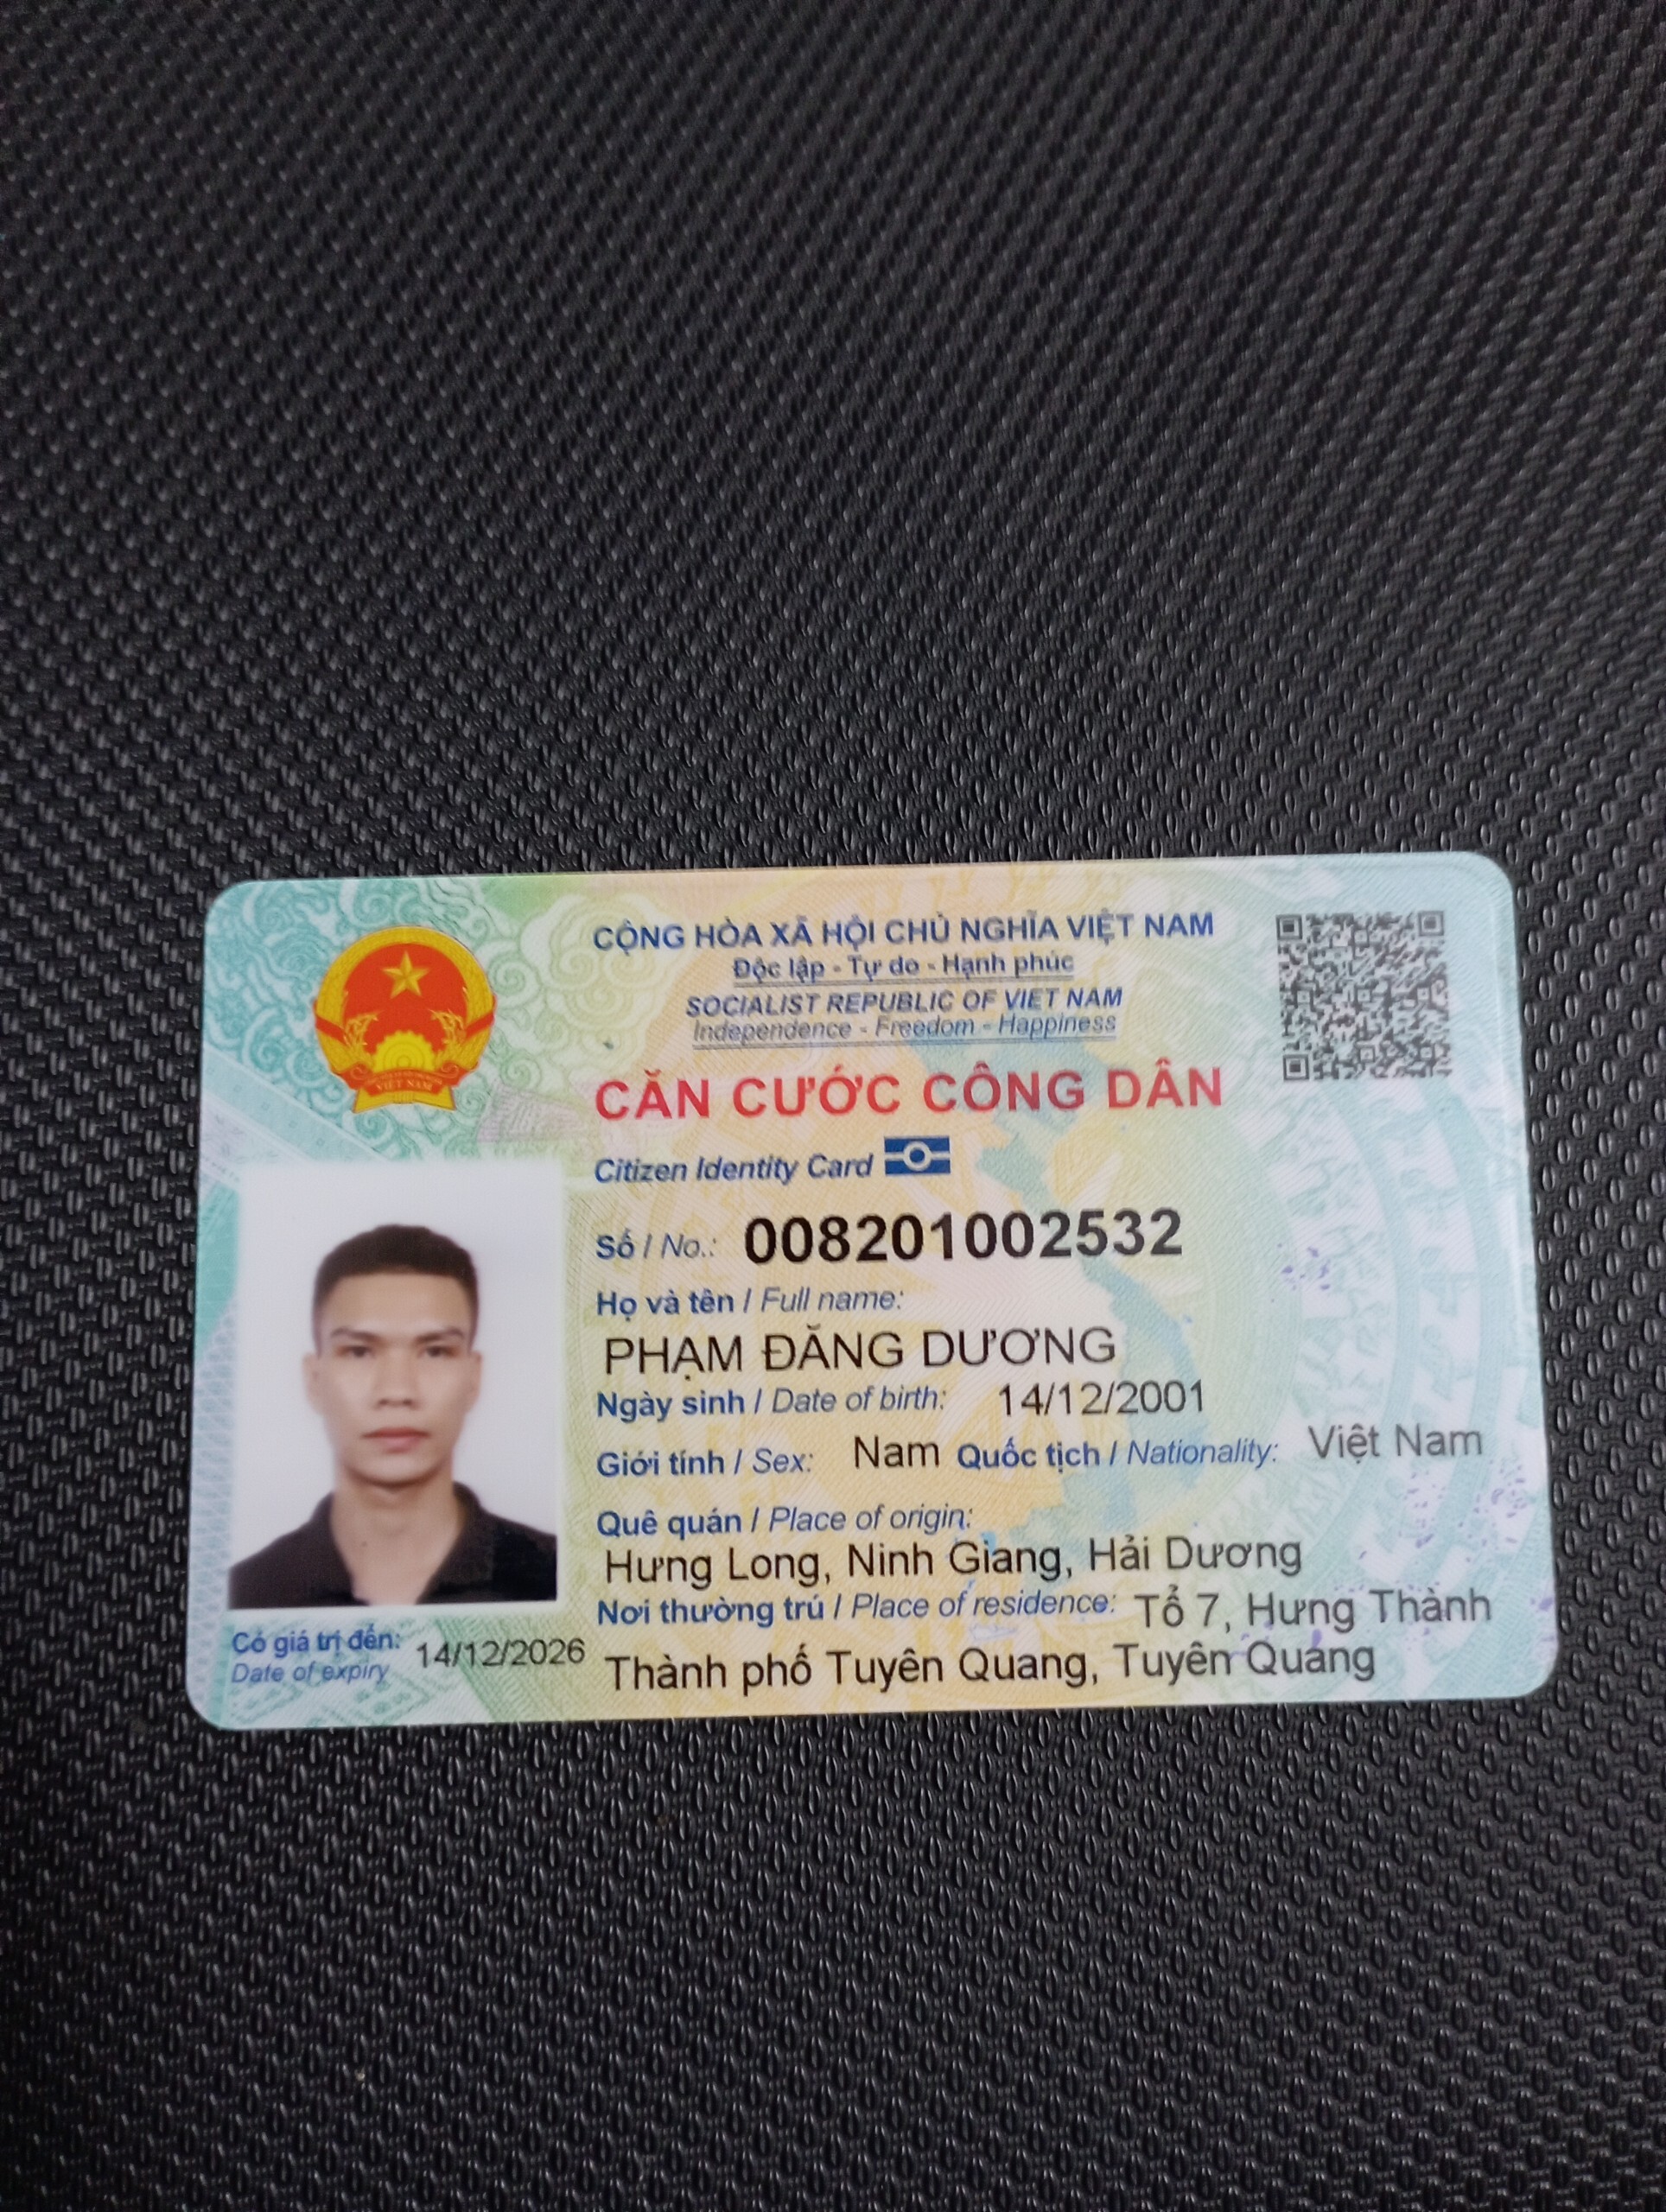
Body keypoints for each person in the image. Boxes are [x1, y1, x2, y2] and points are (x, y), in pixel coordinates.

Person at [229, 1224, 557, 1607]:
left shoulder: (559, 1581)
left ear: (473, 1379)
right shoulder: (244, 1596)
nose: (397, 1392)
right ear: (315, 1380)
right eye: (359, 1352)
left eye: (435, 1352)